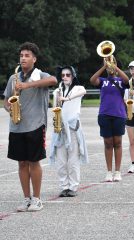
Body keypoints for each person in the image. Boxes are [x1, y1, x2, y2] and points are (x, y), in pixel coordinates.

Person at [3, 42, 57, 211]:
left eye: (27, 56)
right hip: (17, 126)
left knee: (34, 162)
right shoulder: (14, 77)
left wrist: (27, 85)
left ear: (34, 59)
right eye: (21, 56)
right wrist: (9, 108)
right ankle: (26, 198)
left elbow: (54, 80)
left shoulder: (40, 74)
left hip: (35, 125)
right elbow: (6, 100)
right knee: (21, 163)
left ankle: (37, 199)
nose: (23, 58)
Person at [49, 66, 88, 197]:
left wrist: (67, 98)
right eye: (63, 75)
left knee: (73, 160)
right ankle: (64, 187)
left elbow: (84, 91)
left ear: (73, 76)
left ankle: (73, 187)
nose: (65, 77)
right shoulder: (57, 91)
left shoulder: (77, 88)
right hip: (60, 128)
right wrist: (58, 98)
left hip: (72, 128)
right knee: (61, 161)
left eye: (68, 75)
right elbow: (55, 107)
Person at [90, 57, 129, 182]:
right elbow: (92, 80)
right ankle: (108, 172)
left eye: (112, 62)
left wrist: (115, 67)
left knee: (118, 143)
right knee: (108, 144)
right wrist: (104, 67)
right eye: (108, 62)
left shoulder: (120, 80)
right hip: (104, 115)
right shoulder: (102, 80)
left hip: (119, 115)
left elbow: (127, 80)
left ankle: (117, 172)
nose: (110, 64)